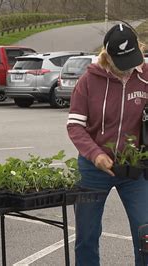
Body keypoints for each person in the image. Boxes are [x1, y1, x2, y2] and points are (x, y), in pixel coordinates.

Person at [67, 24, 148, 265]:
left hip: (134, 169)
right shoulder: (88, 81)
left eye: (133, 60)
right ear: (107, 56)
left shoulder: (145, 77)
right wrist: (95, 154)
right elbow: (75, 126)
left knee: (145, 230)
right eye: (121, 63)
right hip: (93, 169)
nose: (127, 70)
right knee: (87, 234)